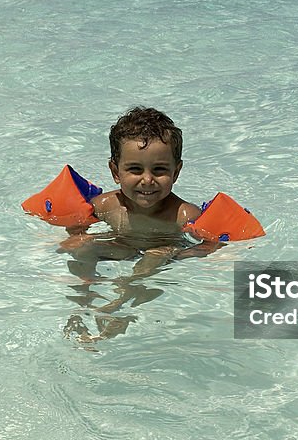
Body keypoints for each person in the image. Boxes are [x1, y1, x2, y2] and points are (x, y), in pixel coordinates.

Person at [60, 107, 219, 342]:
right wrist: (76, 235)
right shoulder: (105, 206)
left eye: (160, 170)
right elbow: (77, 224)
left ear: (176, 172)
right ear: (115, 171)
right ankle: (82, 300)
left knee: (156, 253)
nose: (147, 180)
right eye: (135, 169)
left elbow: (211, 244)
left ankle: (117, 305)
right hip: (121, 246)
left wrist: (179, 255)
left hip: (161, 251)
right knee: (85, 248)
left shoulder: (184, 214)